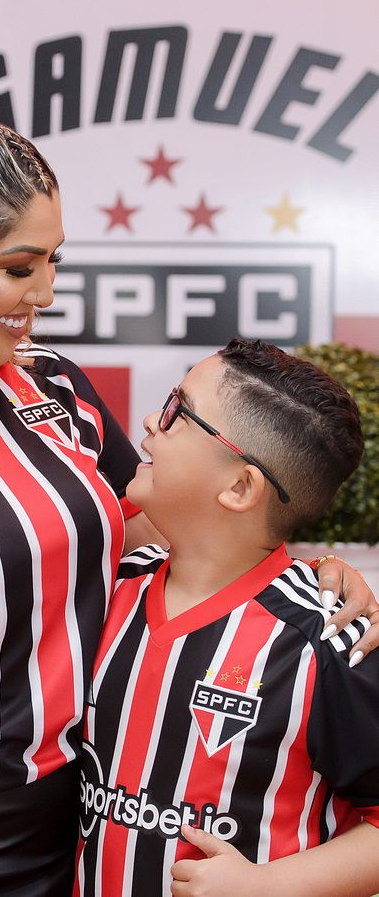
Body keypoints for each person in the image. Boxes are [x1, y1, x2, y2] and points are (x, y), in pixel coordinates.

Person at [0, 97, 374, 897]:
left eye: (53, 262)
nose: (46, 292)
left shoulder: (53, 385)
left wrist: (314, 583)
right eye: (19, 268)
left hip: (73, 822)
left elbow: (195, 537)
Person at [75, 339, 379, 897]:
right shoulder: (106, 588)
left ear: (240, 486)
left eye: (178, 411)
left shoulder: (329, 640)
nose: (150, 421)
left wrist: (269, 885)